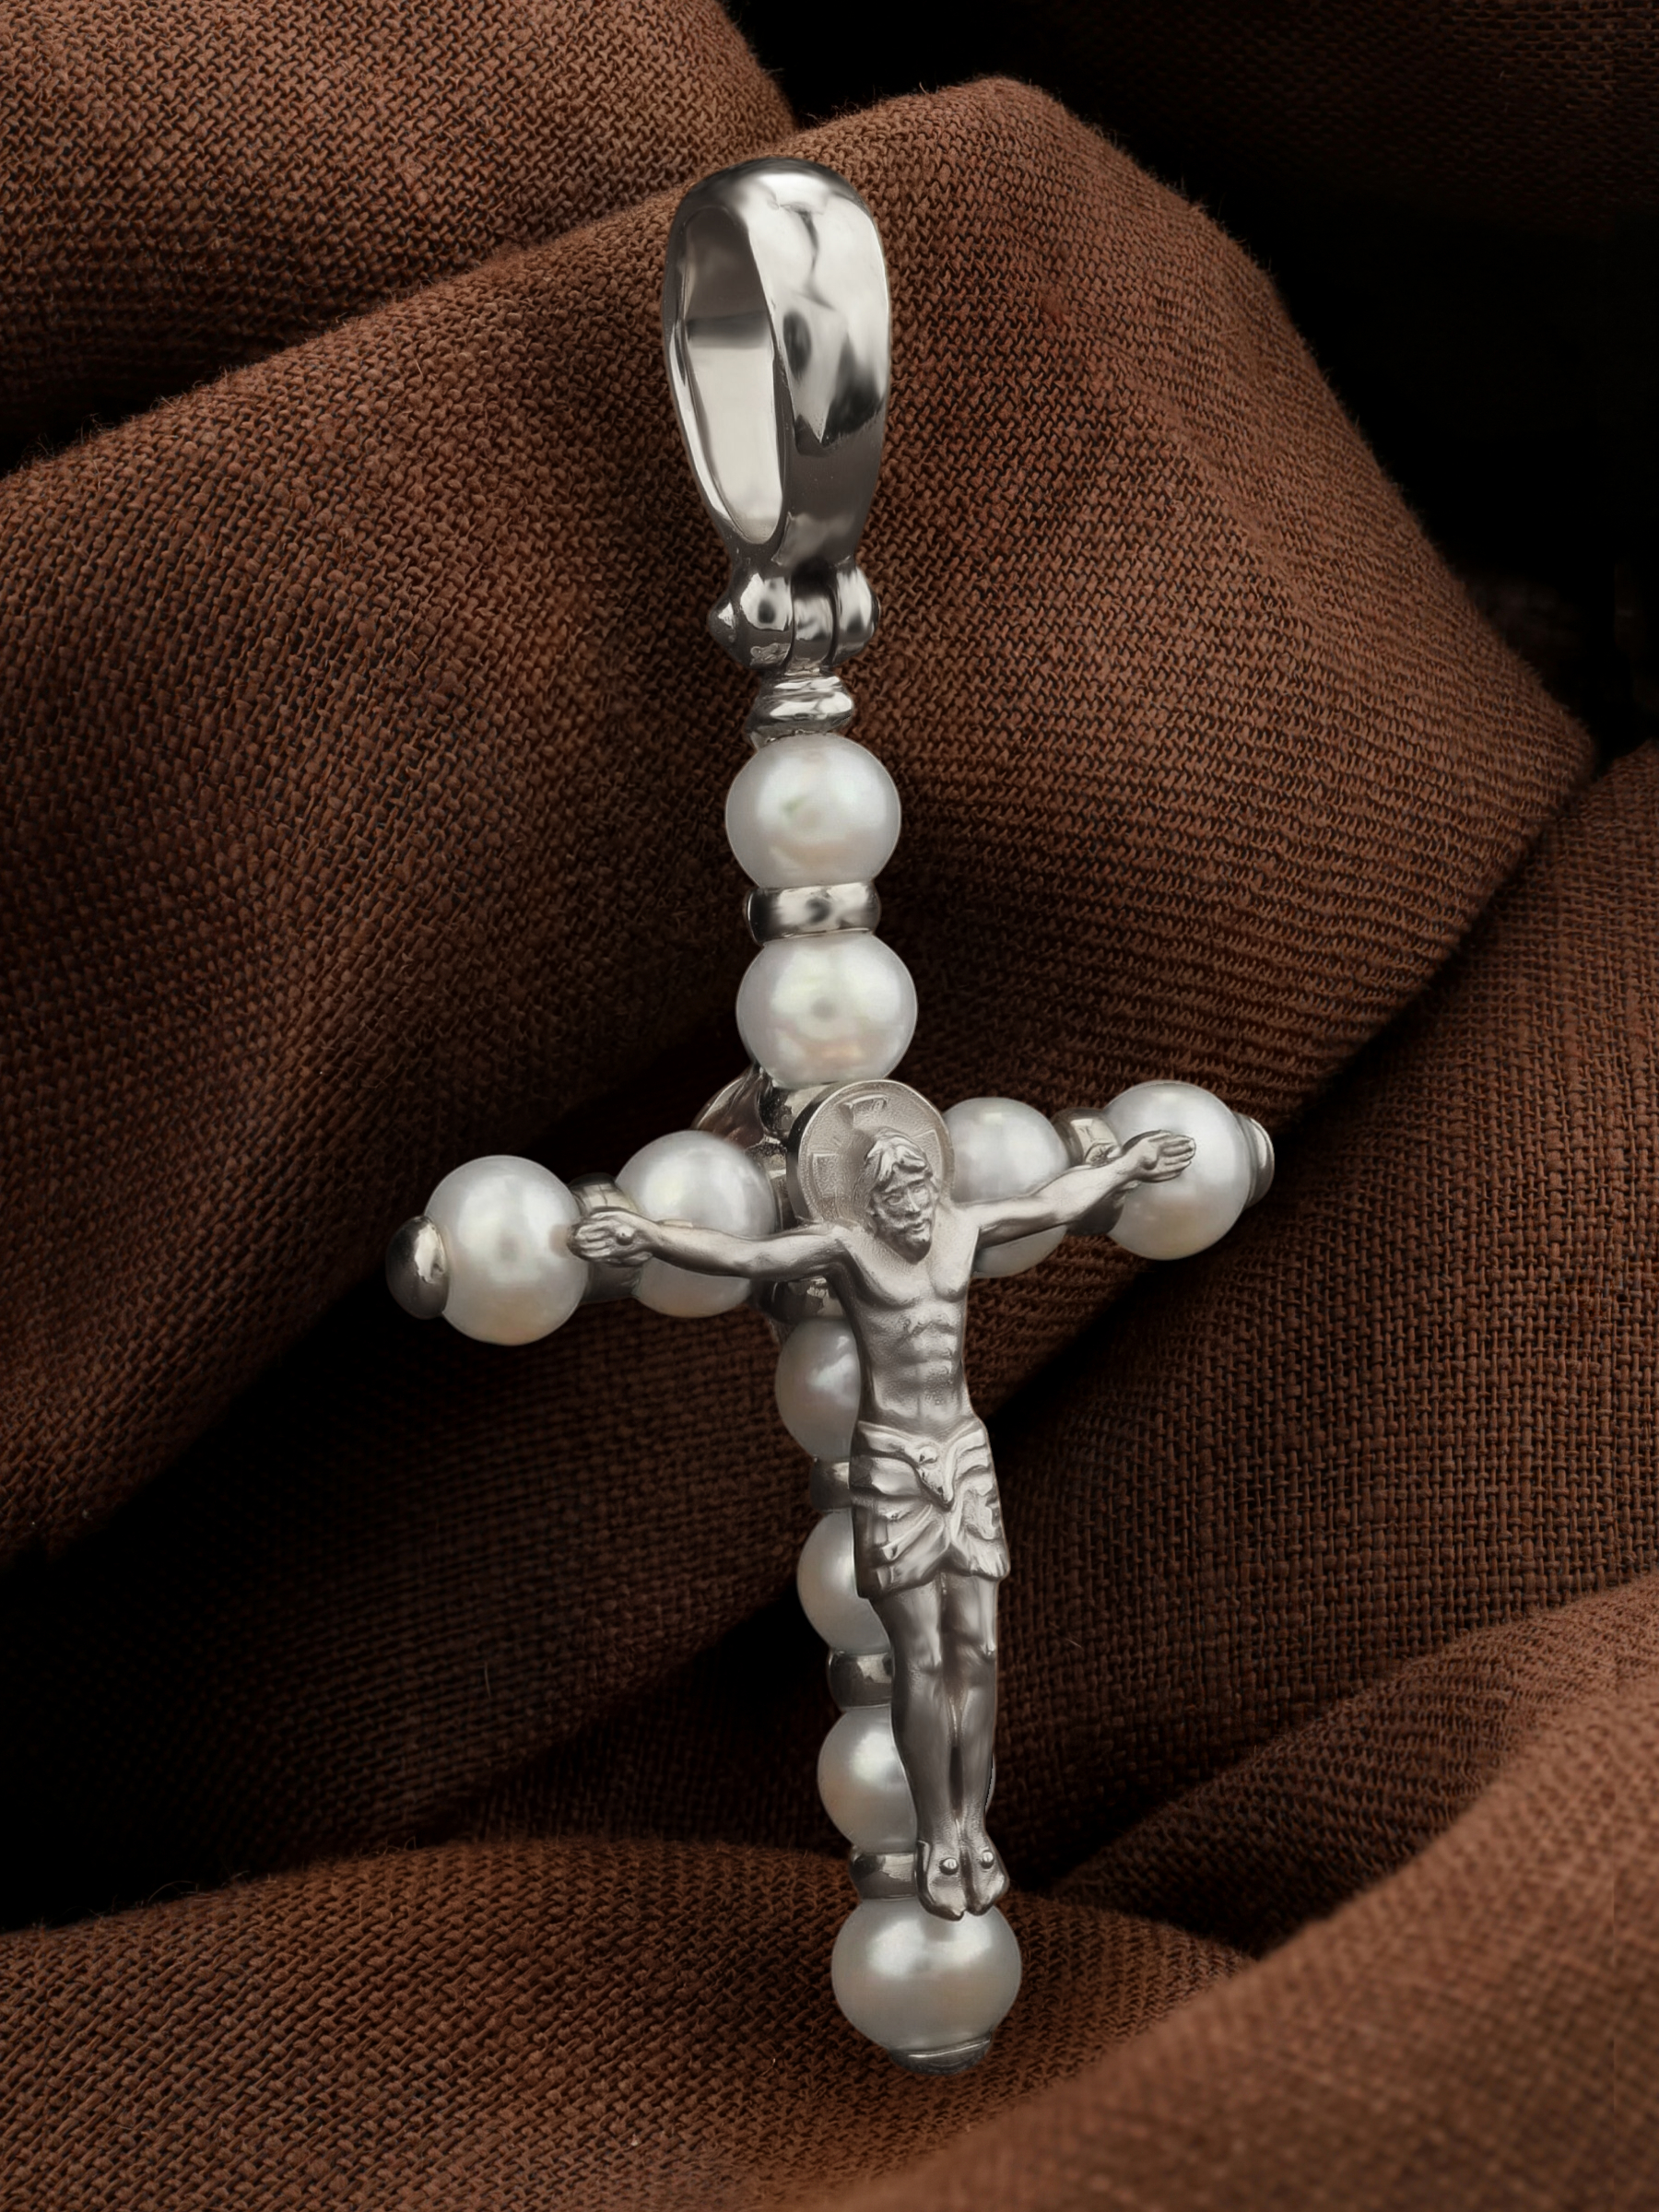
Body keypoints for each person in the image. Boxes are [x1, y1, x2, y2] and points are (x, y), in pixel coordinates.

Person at [572, 1109, 1194, 1918]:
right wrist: (649, 1234)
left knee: (980, 1648)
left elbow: (1054, 1202)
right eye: (896, 1195)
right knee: (922, 1657)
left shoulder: (964, 1228)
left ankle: (974, 1826)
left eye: (920, 1188)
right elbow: (747, 1256)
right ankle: (939, 1833)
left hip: (964, 1456)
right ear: (870, 1202)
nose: (912, 1205)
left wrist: (1129, 1165)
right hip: (895, 1463)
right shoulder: (848, 1248)